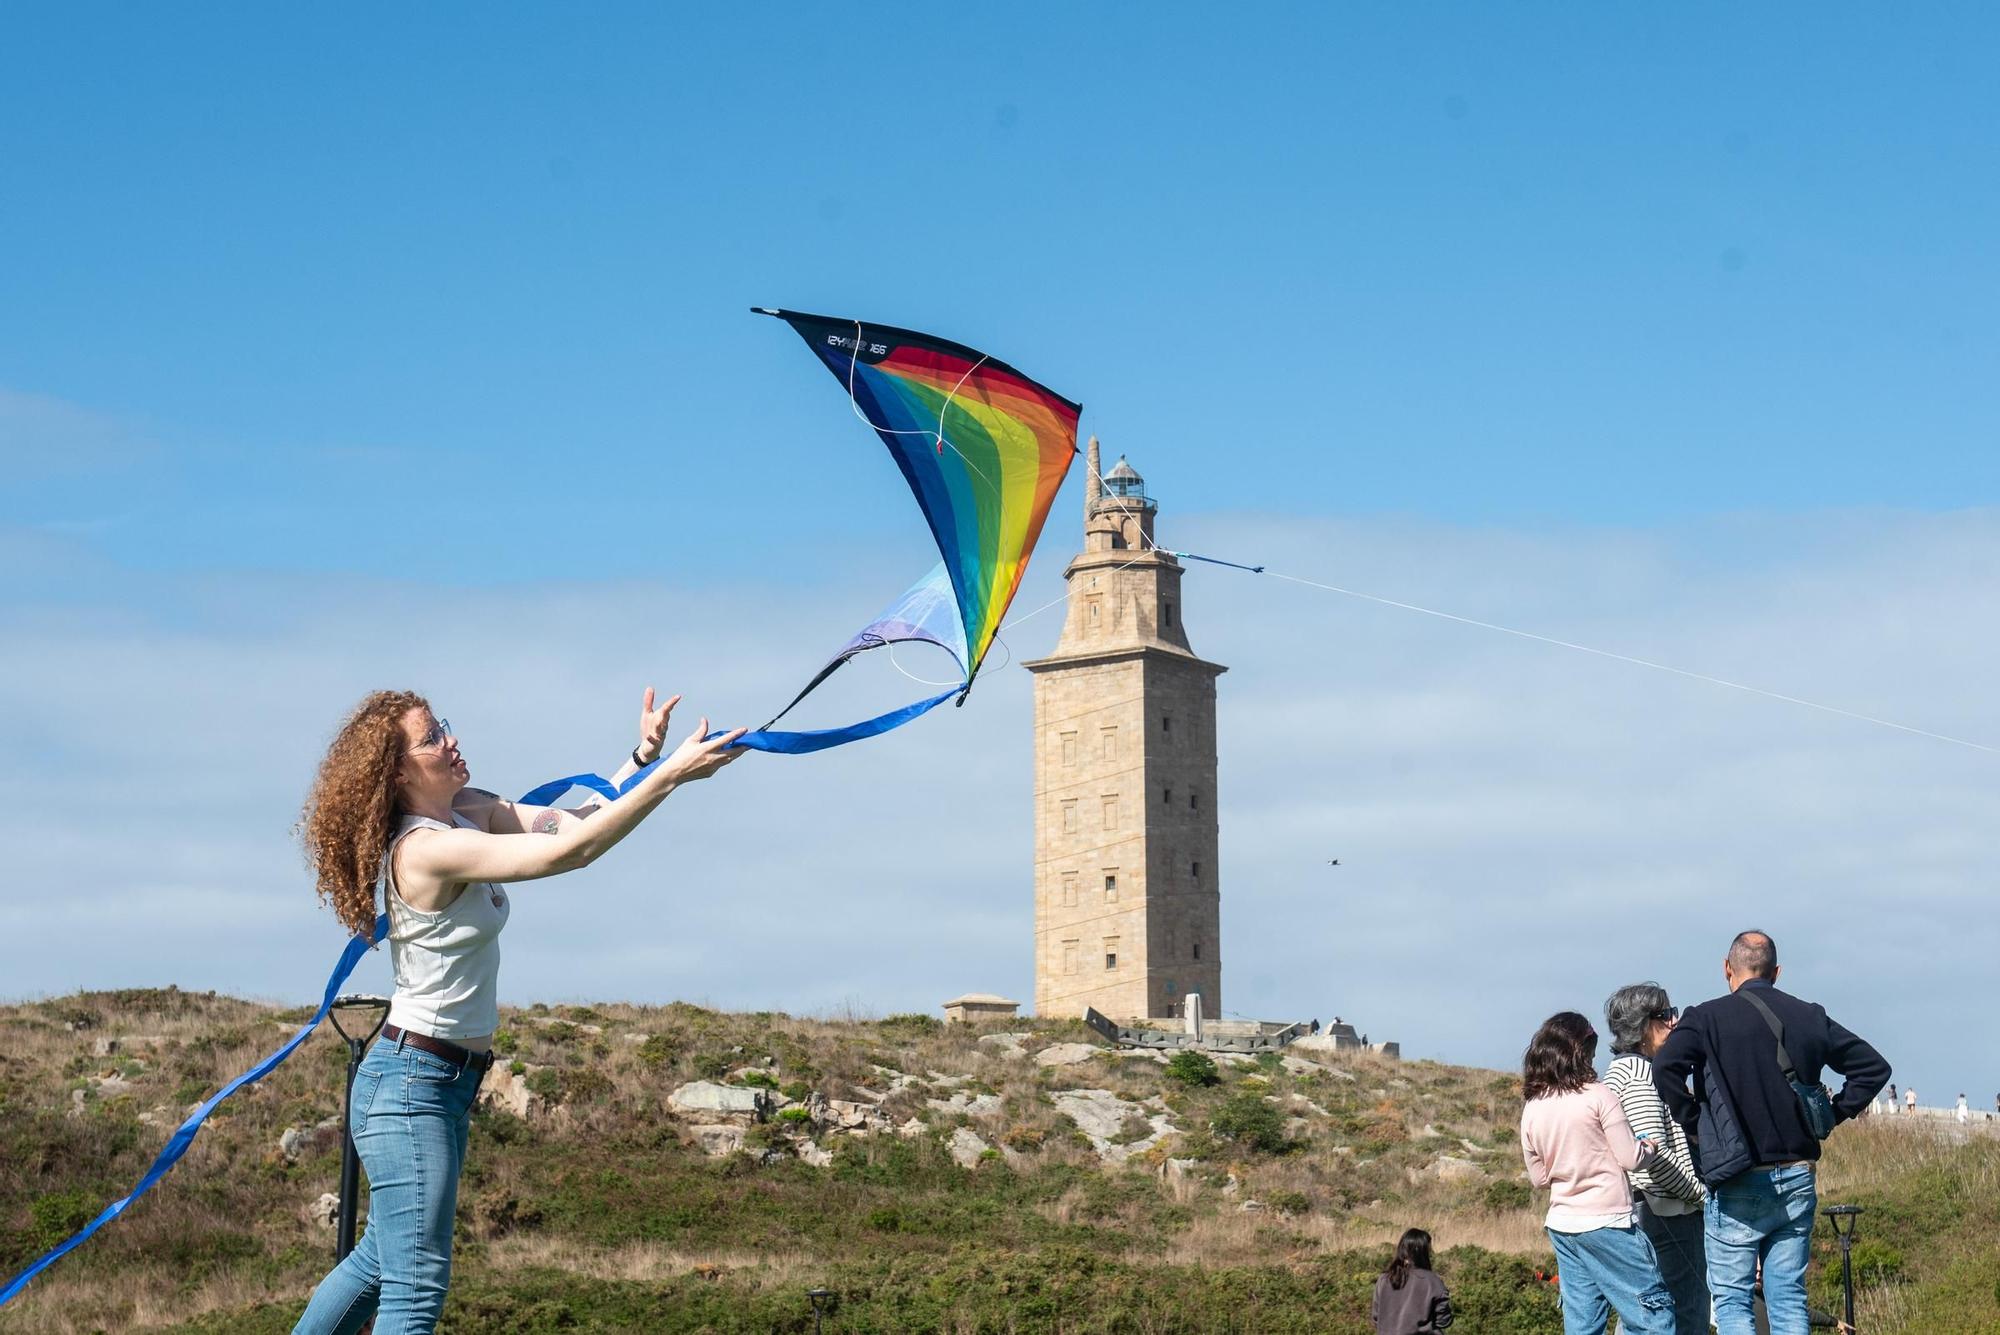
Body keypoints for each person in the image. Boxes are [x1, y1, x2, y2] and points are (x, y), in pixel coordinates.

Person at [292, 690, 746, 1334]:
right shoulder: (424, 849)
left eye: (441, 727)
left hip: (440, 1082)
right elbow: (570, 854)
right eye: (430, 739)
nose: (450, 740)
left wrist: (641, 759)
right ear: (396, 772)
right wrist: (672, 775)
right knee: (414, 1287)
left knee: (378, 1264)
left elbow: (573, 822)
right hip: (410, 1083)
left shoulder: (467, 813)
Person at [1653, 931, 1890, 1335]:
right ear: (1776, 972)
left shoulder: (1705, 1017)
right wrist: (1834, 1113)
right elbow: (1874, 1068)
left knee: (1732, 1304)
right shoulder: (1809, 1016)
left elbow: (1665, 1069)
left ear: (1727, 968)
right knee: (1788, 1300)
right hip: (1797, 1173)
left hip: (1736, 1178)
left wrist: (1694, 1123)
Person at [1519, 1012, 1675, 1334]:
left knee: (1583, 1323)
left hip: (1563, 1225)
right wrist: (1649, 1146)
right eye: (1590, 1051)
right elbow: (1630, 1158)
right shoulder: (1598, 1095)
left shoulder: (1533, 1107)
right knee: (1654, 1314)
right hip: (1608, 1221)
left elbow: (1539, 1178)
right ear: (1581, 1052)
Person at [1604, 984, 1708, 1335]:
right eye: (1665, 1015)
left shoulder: (1619, 1072)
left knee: (1645, 1313)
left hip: (1646, 1211)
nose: (1674, 1021)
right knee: (1685, 1312)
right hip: (1667, 1213)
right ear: (1644, 1025)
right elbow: (1650, 1160)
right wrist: (1699, 1194)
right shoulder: (1639, 1076)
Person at [1371, 1227, 1454, 1333]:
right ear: (1423, 1252)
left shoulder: (1384, 1279)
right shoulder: (1433, 1281)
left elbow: (1376, 1318)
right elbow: (1444, 1321)